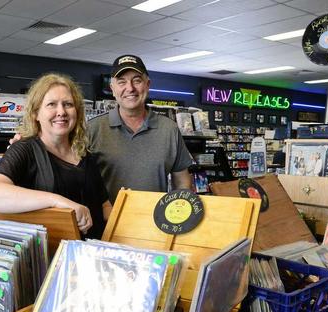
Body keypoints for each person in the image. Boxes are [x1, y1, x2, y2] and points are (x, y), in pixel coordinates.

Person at [10, 55, 194, 203]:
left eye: (137, 80)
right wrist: (26, 143)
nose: (130, 88)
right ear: (112, 88)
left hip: (154, 227)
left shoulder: (169, 130)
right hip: (104, 229)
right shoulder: (92, 129)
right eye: (121, 82)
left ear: (148, 85)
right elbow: (56, 150)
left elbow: (182, 182)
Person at [0, 73, 111, 238]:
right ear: (36, 113)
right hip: (48, 257)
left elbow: (103, 206)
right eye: (51, 104)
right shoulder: (24, 149)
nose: (61, 112)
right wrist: (57, 201)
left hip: (90, 255)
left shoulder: (85, 155)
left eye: (68, 104)